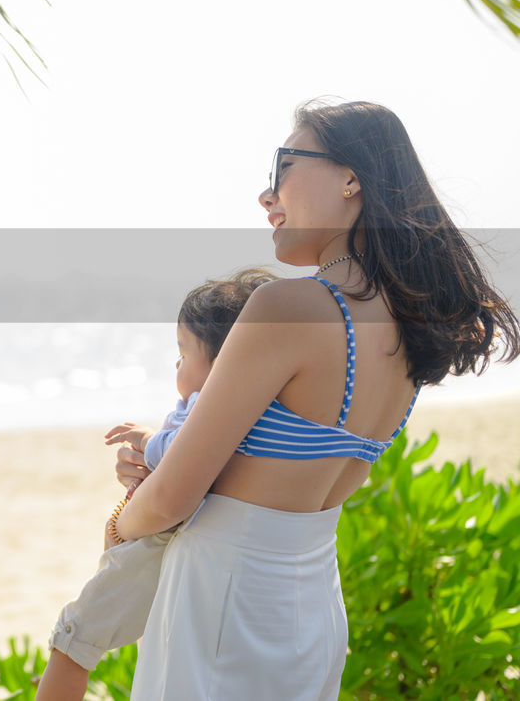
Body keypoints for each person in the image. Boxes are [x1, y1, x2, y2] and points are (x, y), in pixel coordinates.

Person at [61, 100, 516, 701]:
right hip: (311, 610)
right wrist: (162, 455)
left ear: (351, 178)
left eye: (283, 166)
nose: (266, 195)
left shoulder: (288, 309)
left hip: (222, 607)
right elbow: (296, 473)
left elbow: (171, 499)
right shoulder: (409, 329)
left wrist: (124, 521)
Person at [39, 268, 278, 697]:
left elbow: (183, 458)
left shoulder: (213, 403)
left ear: (224, 363)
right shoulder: (263, 409)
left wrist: (151, 442)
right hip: (175, 541)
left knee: (74, 641)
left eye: (183, 354)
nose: (176, 365)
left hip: (158, 542)